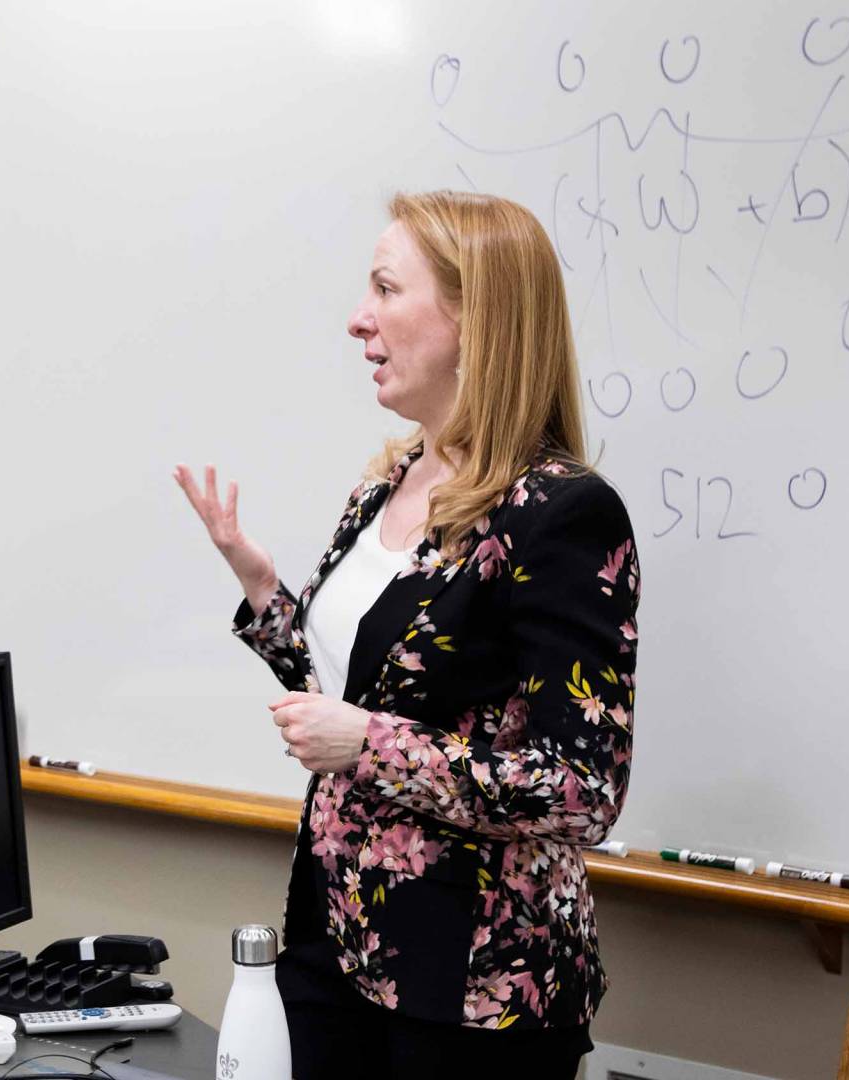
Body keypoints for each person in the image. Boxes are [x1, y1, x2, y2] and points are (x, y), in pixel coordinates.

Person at [174, 191, 639, 1078]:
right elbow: (364, 687)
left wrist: (368, 744)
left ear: (475, 321)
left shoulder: (563, 514)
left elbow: (583, 791)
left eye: (386, 290)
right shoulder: (390, 479)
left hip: (473, 991)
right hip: (333, 939)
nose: (358, 320)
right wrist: (263, 589)